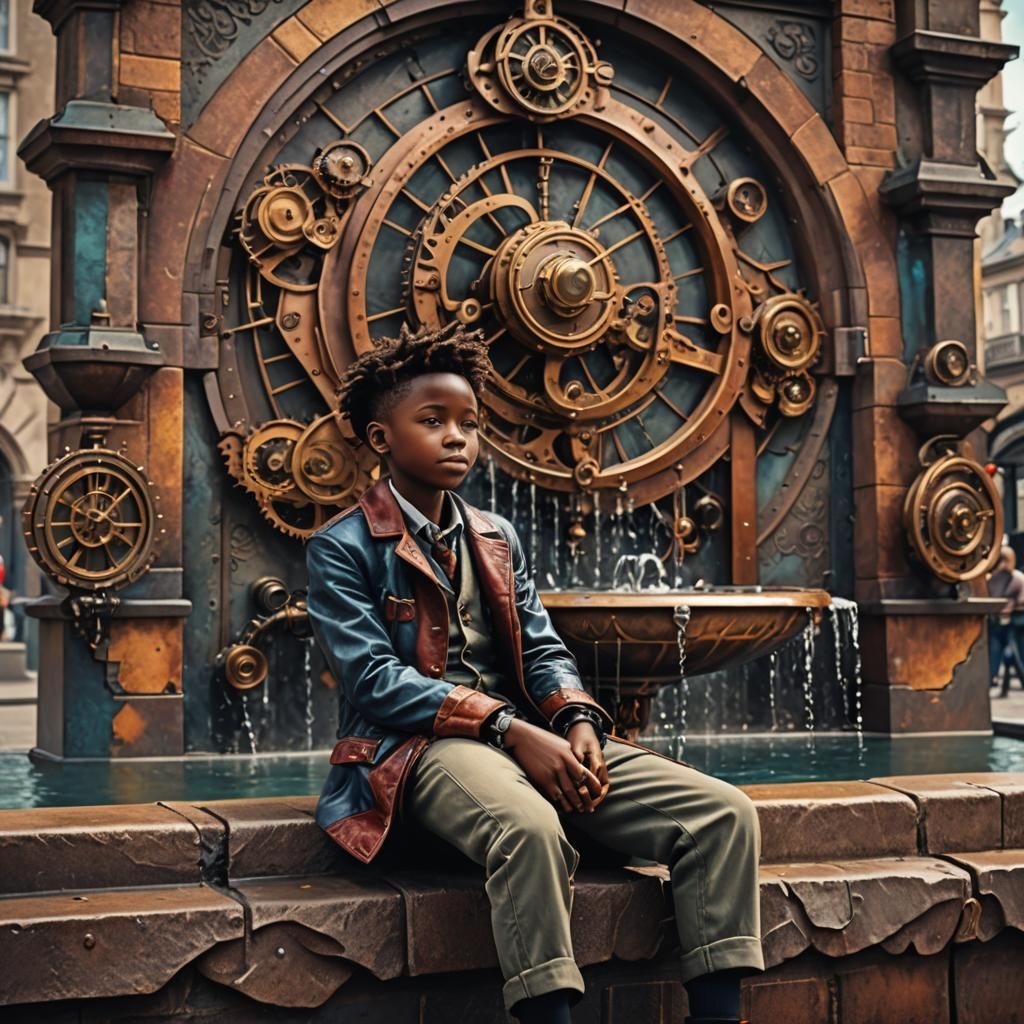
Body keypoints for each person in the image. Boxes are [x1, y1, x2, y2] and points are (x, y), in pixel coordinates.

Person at [305, 322, 763, 1024]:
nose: (457, 437)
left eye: (469, 423)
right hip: (417, 750)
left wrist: (576, 719)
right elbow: (373, 681)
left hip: (521, 735)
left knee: (724, 815)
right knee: (527, 826)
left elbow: (543, 648)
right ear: (379, 439)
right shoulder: (340, 547)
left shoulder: (496, 535)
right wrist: (508, 727)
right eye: (432, 421)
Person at [989, 545, 1024, 698]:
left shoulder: (1018, 578)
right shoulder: (994, 578)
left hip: (1015, 624)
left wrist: (1012, 606)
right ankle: (994, 681)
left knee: (1015, 656)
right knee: (998, 656)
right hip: (998, 623)